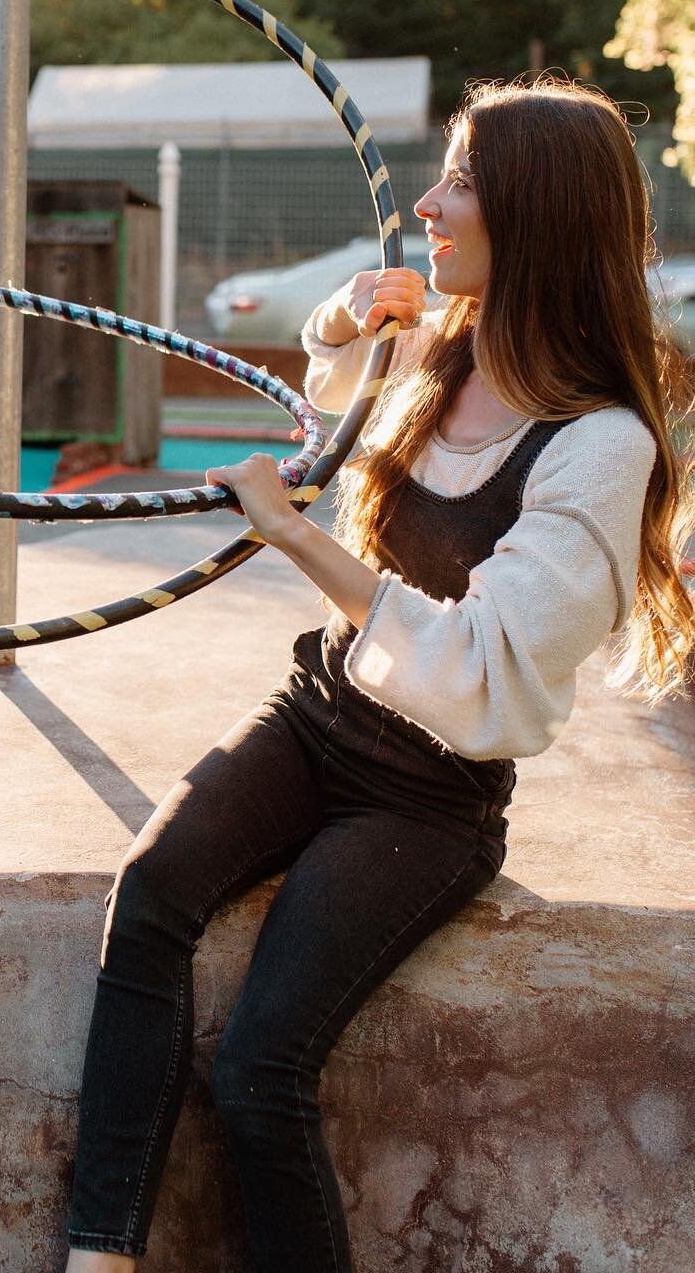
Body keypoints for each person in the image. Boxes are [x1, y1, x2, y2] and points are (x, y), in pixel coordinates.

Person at [64, 77, 695, 1270]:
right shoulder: (441, 351)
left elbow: (472, 668)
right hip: (322, 713)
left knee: (259, 1068)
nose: (428, 203)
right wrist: (342, 331)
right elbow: (329, 415)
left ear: (536, 213)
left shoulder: (604, 446)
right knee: (149, 896)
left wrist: (293, 535)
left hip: (429, 791)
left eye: (458, 179)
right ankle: (98, 1253)